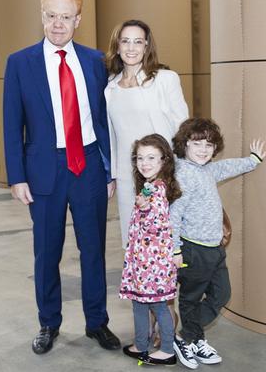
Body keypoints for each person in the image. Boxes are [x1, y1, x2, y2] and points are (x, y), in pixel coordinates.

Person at [3, 0, 120, 355]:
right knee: (47, 251)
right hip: (44, 169)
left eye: (65, 16)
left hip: (87, 165)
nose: (58, 24)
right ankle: (48, 323)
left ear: (78, 20)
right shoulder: (20, 63)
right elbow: (10, 123)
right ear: (42, 16)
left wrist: (111, 169)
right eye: (51, 15)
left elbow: (105, 119)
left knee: (93, 249)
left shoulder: (95, 61)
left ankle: (97, 321)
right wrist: (17, 176)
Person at [169, 118, 266, 369]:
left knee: (222, 294)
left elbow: (227, 167)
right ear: (184, 144)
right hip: (193, 249)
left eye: (209, 145)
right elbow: (173, 215)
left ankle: (187, 336)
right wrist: (176, 249)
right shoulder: (182, 174)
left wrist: (253, 161)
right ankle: (190, 338)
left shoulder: (207, 169)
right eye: (197, 143)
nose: (203, 150)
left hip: (214, 248)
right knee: (190, 298)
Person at [104, 19, 188, 249]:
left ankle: (166, 286)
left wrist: (182, 170)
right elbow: (112, 135)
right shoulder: (109, 87)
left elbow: (183, 127)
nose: (131, 48)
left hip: (162, 176)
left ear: (146, 46)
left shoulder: (164, 79)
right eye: (125, 41)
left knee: (164, 242)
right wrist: (111, 175)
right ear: (117, 46)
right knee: (133, 243)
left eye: (138, 42)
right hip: (127, 175)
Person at [119, 134, 182, 366]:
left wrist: (145, 210)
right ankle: (140, 345)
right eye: (140, 158)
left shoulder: (157, 190)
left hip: (153, 264)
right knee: (139, 303)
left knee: (158, 305)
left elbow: (159, 223)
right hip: (142, 262)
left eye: (151, 158)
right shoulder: (149, 186)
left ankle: (167, 349)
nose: (144, 163)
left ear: (164, 160)